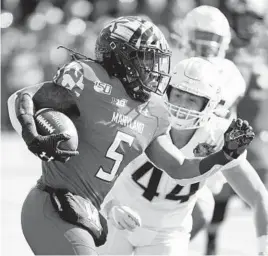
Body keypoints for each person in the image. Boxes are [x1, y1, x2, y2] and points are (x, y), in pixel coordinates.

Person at [7, 16, 249, 255]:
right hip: (51, 203)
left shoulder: (154, 110)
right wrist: (32, 134)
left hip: (86, 210)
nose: (155, 69)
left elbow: (179, 167)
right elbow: (23, 98)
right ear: (121, 57)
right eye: (147, 58)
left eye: (157, 60)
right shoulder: (89, 78)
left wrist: (224, 155)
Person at [97, 57, 267, 256]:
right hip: (117, 217)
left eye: (192, 99)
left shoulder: (218, 135)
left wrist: (264, 247)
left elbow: (257, 196)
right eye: (178, 95)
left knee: (205, 206)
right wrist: (108, 206)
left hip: (168, 234)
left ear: (210, 105)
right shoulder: (146, 114)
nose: (182, 105)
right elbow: (95, 165)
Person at [177, 5, 249, 245]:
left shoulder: (228, 72)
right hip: (168, 144)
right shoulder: (174, 60)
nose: (207, 45)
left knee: (201, 212)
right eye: (201, 37)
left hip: (201, 150)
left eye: (213, 39)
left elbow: (217, 110)